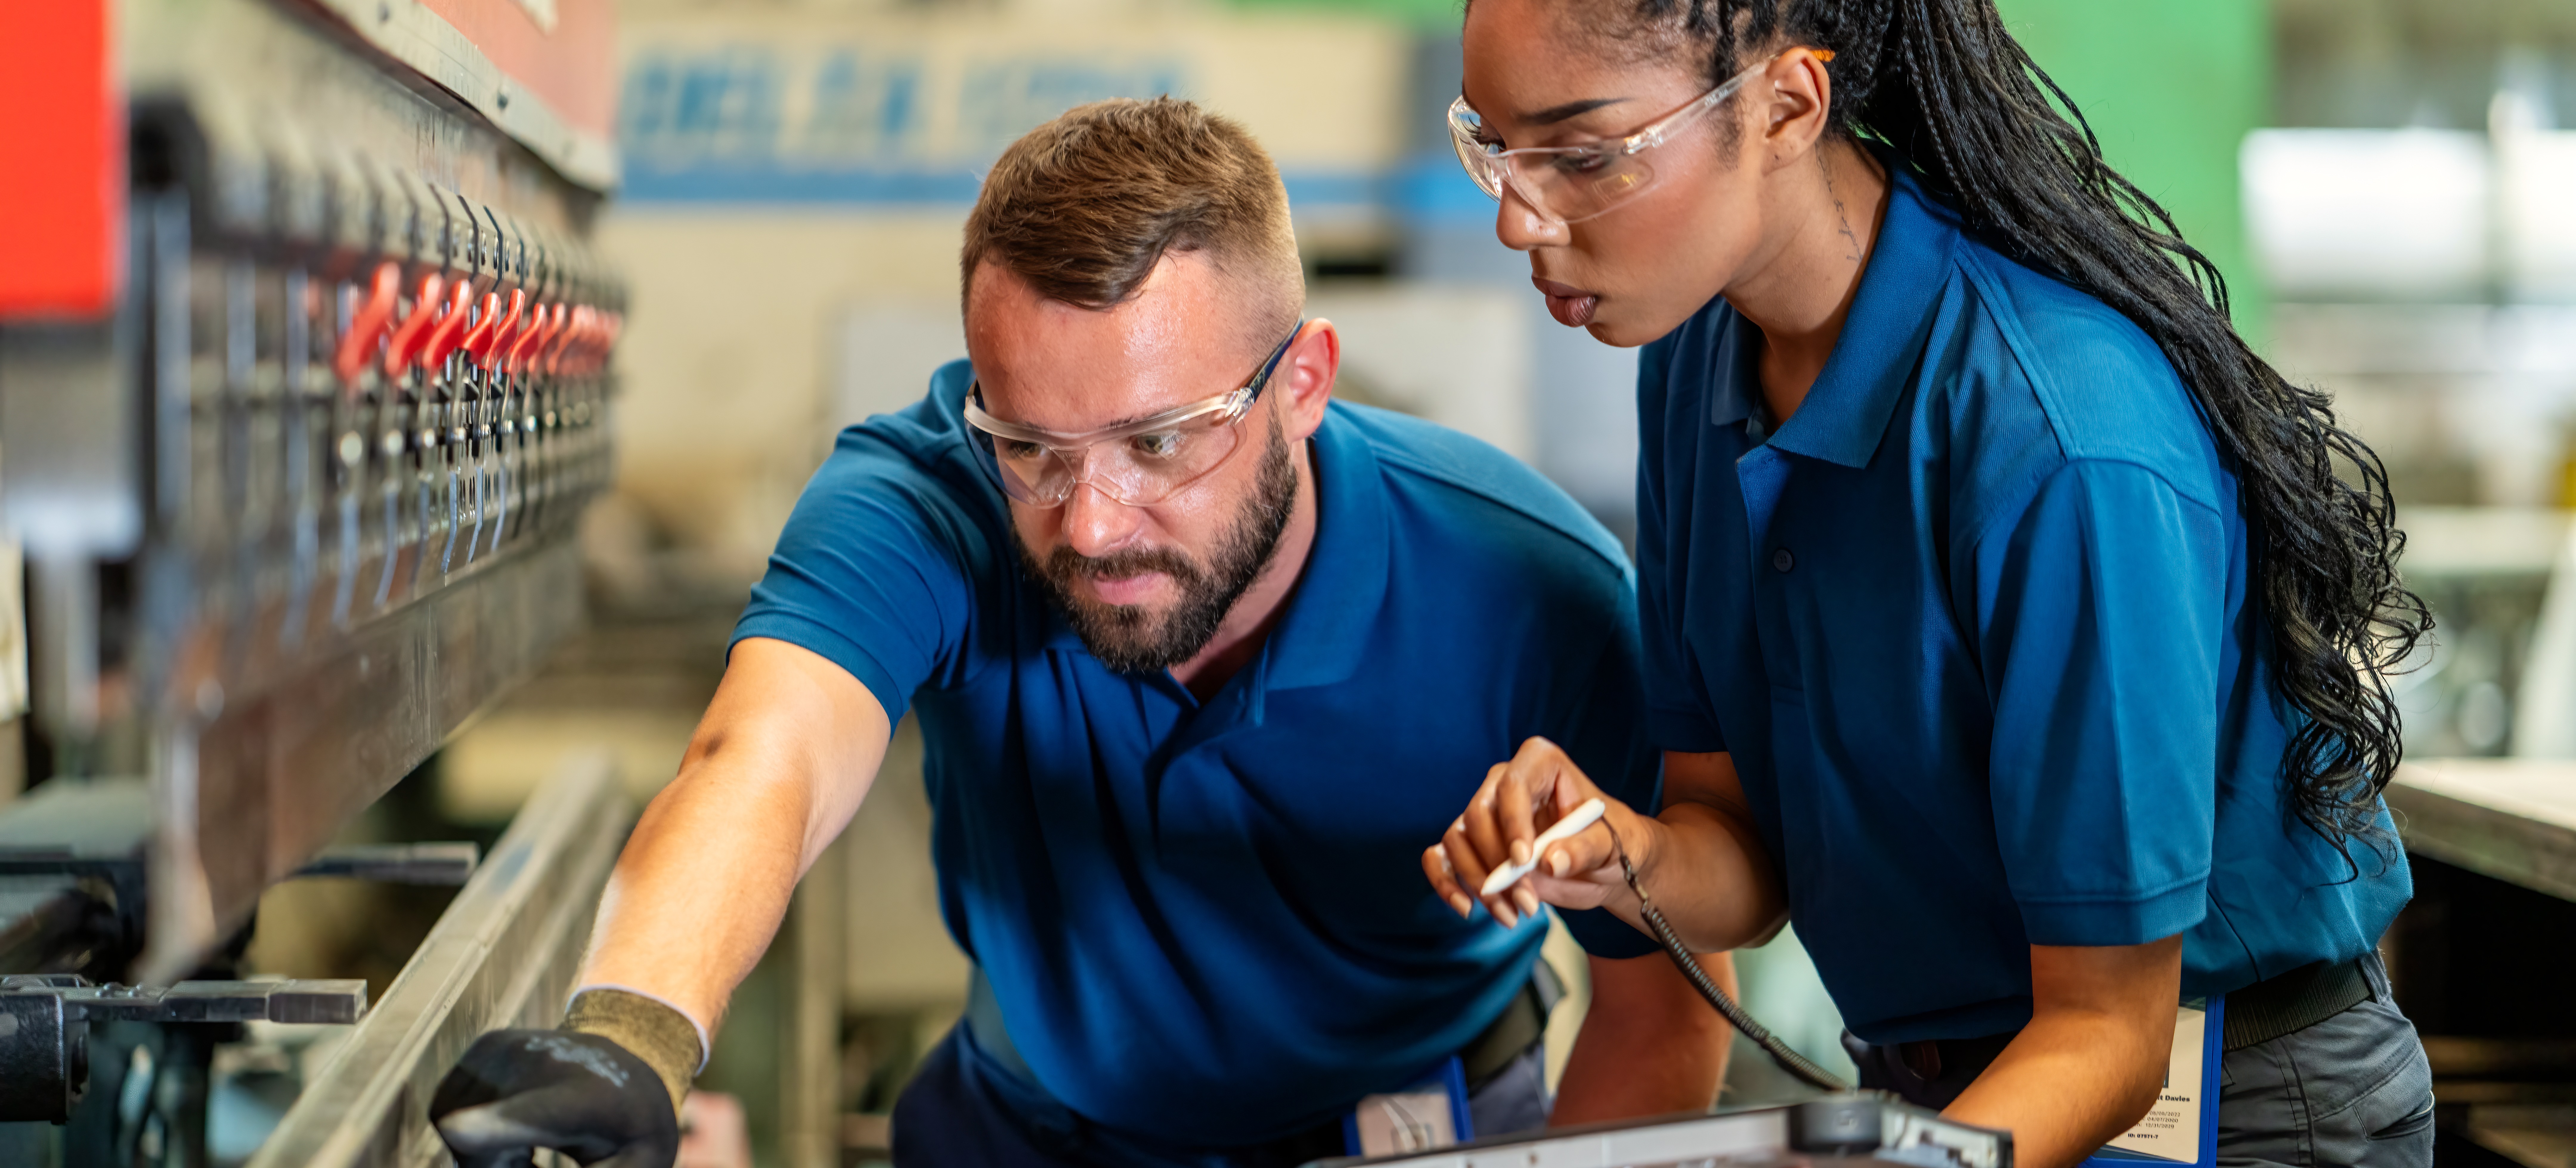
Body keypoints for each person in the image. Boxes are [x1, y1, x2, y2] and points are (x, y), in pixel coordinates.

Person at [428, 98, 1736, 1168]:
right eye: (1033, 448)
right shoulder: (927, 498)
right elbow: (761, 759)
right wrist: (631, 1034)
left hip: (1406, 1130)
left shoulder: (1528, 586)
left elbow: (1664, 994)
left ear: (1303, 384)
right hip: (1030, 1132)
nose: (1095, 524)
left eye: (1160, 442)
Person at [1423, 2, 2437, 1167]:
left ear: (1788, 106)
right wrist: (1626, 855)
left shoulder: (2056, 439)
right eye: (1493, 143)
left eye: (1585, 154)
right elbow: (1743, 852)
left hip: (2217, 1107)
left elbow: (2110, 1030)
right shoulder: (1696, 359)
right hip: (1951, 1099)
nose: (1515, 215)